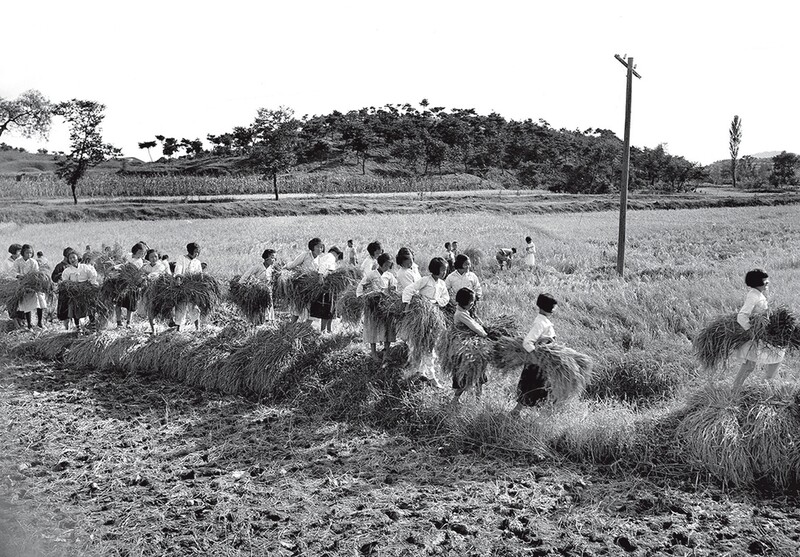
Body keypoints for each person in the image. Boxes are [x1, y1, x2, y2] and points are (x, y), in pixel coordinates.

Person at [732, 269, 784, 391]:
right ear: (757, 282)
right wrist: (751, 331)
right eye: (765, 281)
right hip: (756, 335)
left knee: (754, 363)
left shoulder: (757, 294)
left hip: (762, 333)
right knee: (752, 363)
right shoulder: (753, 296)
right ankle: (737, 389)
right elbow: (742, 315)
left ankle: (763, 386)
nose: (767, 282)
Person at [401, 257, 450, 387]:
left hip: (434, 317)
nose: (444, 272)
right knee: (420, 344)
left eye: (445, 270)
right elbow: (408, 290)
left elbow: (446, 298)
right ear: (435, 269)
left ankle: (428, 374)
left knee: (431, 345)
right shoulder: (425, 280)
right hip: (422, 318)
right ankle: (422, 373)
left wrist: (436, 302)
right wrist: (407, 304)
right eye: (442, 270)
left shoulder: (442, 284)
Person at [511, 293, 558, 414]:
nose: (554, 310)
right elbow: (527, 342)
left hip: (542, 362)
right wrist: (536, 357)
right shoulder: (540, 323)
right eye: (552, 307)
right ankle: (517, 413)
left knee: (538, 389)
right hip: (537, 363)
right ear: (546, 307)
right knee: (533, 388)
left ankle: (522, 413)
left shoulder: (544, 321)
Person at [357, 253, 398, 360]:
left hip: (386, 305)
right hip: (373, 305)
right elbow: (360, 289)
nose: (388, 266)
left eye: (389, 264)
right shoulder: (371, 275)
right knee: (373, 327)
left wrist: (392, 290)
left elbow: (394, 288)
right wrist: (367, 297)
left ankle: (386, 352)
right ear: (382, 263)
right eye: (387, 263)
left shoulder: (389, 276)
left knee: (388, 327)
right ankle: (374, 353)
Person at [451, 287, 489, 403]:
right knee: (465, 375)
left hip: (471, 348)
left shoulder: (464, 311)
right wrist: (485, 333)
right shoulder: (461, 314)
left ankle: (478, 399)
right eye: (471, 302)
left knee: (478, 373)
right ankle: (455, 400)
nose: (473, 304)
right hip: (464, 350)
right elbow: (476, 328)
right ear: (464, 302)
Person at [285, 237, 324, 322]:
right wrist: (285, 267)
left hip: (312, 288)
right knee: (297, 308)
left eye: (321, 247)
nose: (320, 249)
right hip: (301, 285)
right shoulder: (305, 255)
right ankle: (291, 326)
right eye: (318, 247)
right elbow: (293, 265)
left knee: (312, 309)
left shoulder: (320, 260)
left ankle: (305, 329)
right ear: (312, 247)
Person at [61, 251, 99, 332]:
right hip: (74, 292)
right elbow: (65, 282)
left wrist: (92, 284)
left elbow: (92, 275)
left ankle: (93, 327)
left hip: (85, 290)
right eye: (70, 258)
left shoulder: (85, 267)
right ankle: (78, 328)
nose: (72, 259)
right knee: (75, 310)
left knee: (89, 308)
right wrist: (71, 287)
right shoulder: (67, 271)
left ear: (78, 258)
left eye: (74, 257)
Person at [14, 244, 48, 329]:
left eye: (30, 253)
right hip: (23, 284)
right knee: (27, 304)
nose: (29, 254)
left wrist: (32, 279)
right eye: (27, 253)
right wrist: (19, 276)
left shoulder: (33, 262)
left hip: (33, 284)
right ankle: (29, 323)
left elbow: (36, 272)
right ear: (23, 253)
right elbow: (14, 271)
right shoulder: (18, 261)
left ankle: (40, 322)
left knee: (39, 302)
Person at [172, 242, 204, 331]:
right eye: (195, 252)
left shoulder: (197, 262)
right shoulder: (182, 258)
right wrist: (178, 277)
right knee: (180, 307)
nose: (197, 254)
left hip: (193, 287)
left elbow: (199, 273)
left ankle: (198, 328)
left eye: (198, 252)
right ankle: (178, 329)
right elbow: (178, 269)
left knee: (194, 307)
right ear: (190, 251)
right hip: (182, 285)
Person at [114, 243, 146, 328]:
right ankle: (119, 322)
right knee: (118, 304)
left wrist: (124, 267)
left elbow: (130, 268)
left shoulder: (140, 261)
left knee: (130, 305)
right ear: (135, 251)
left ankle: (128, 322)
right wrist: (116, 267)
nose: (141, 254)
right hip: (122, 282)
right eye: (140, 252)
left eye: (143, 253)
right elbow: (122, 264)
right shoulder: (128, 256)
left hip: (132, 284)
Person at [313, 246, 343, 333]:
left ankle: (329, 330)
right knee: (326, 310)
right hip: (326, 287)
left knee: (330, 310)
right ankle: (323, 331)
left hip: (329, 287)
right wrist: (320, 276)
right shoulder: (331, 256)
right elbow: (323, 266)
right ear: (336, 254)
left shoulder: (327, 256)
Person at [51, 247, 76, 328]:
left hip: (74, 291)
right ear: (65, 257)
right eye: (69, 257)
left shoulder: (75, 266)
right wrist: (61, 275)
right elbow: (54, 278)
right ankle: (66, 328)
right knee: (65, 310)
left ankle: (75, 326)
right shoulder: (60, 266)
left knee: (74, 309)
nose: (72, 259)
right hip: (64, 292)